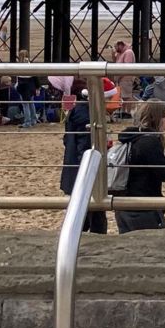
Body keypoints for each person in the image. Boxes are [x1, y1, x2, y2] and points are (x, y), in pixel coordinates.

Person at [113, 100, 165, 232]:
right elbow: (164, 173)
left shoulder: (131, 136)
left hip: (124, 204)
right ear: (157, 119)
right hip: (143, 206)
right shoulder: (149, 142)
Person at [58, 79, 103, 232]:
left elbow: (67, 139)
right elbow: (83, 147)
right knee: (94, 212)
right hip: (82, 170)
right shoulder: (86, 113)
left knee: (81, 214)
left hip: (72, 167)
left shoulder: (74, 110)